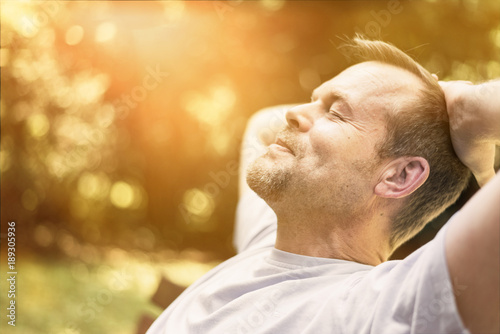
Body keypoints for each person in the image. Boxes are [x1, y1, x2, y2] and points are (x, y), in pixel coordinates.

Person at [147, 37, 499, 334]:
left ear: (399, 176)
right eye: (314, 99)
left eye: (335, 111)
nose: (294, 113)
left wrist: (469, 107)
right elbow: (260, 126)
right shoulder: (266, 243)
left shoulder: (380, 309)